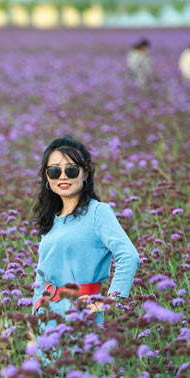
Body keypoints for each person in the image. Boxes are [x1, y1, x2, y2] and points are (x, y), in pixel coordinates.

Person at [32, 136, 139, 325]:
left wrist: (109, 301)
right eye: (55, 171)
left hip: (80, 315)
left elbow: (129, 256)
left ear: (86, 173)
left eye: (71, 170)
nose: (63, 176)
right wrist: (33, 328)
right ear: (47, 176)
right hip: (46, 317)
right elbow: (41, 278)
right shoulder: (52, 218)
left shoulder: (98, 212)